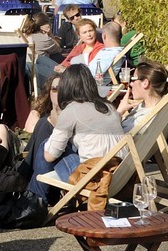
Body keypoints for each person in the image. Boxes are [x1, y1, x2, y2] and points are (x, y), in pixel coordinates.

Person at [28, 65, 125, 196]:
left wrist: (56, 124)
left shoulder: (71, 110)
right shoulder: (108, 107)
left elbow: (49, 156)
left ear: (66, 87)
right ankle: (33, 196)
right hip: (119, 175)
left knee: (46, 146)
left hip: (93, 179)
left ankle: (34, 198)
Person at [21, 11, 65, 86]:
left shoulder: (23, 36)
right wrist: (50, 34)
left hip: (25, 69)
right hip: (38, 71)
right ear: (45, 25)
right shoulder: (44, 39)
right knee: (58, 56)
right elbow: (58, 49)